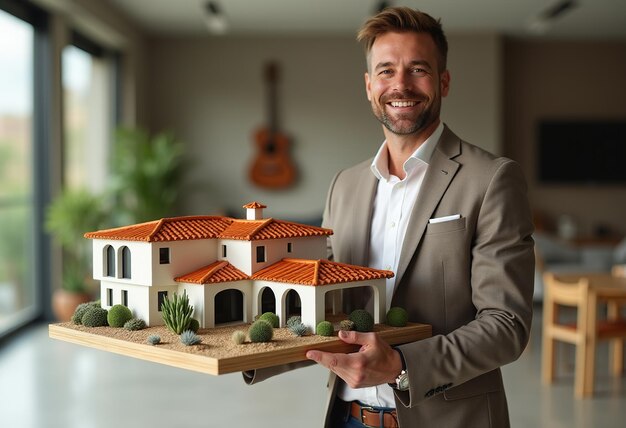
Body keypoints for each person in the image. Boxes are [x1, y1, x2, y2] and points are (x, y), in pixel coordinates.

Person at [245, 7, 534, 428]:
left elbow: (506, 325)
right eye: (386, 71)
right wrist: (246, 350)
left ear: (444, 81)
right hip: (348, 417)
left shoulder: (492, 179)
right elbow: (323, 305)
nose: (400, 84)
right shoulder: (344, 185)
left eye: (418, 69)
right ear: (368, 86)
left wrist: (401, 366)